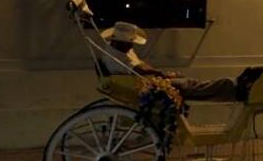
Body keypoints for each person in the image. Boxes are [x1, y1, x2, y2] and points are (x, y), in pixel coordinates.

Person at [101, 21, 237, 102]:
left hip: (144, 81)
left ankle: (227, 85)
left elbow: (141, 65)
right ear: (121, 41)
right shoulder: (116, 56)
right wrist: (162, 74)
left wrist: (161, 74)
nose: (132, 45)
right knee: (188, 85)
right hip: (142, 85)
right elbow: (139, 69)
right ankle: (229, 85)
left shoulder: (120, 49)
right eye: (130, 42)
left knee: (189, 83)